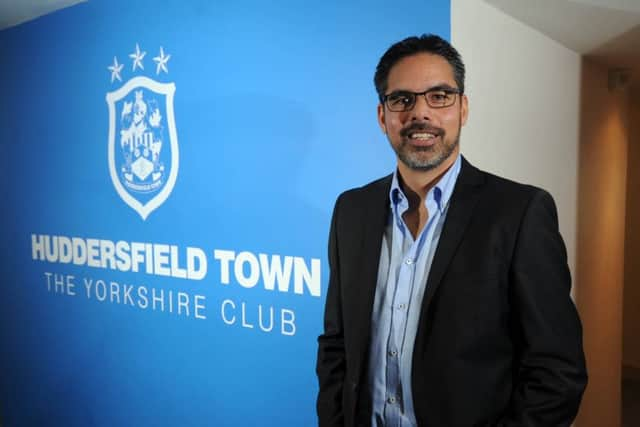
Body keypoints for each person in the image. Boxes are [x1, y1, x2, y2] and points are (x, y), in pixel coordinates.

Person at [316, 34, 587, 427]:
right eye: (402, 99)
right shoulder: (351, 210)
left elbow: (557, 372)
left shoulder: (519, 213)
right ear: (383, 116)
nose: (420, 113)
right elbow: (336, 344)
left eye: (439, 96)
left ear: (463, 108)